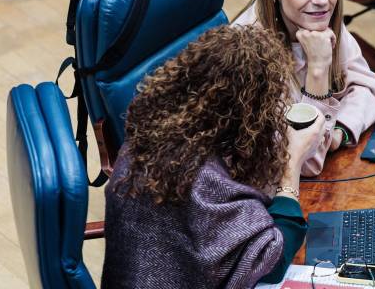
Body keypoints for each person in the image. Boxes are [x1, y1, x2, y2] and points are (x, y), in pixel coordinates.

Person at [101, 26, 325, 288]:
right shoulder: (200, 176)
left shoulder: (155, 133)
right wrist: (292, 164)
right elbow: (271, 260)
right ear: (248, 113)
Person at [233, 0, 375, 176]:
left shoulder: (315, 18)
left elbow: (367, 88)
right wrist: (317, 69)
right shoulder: (250, 56)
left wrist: (338, 132)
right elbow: (303, 162)